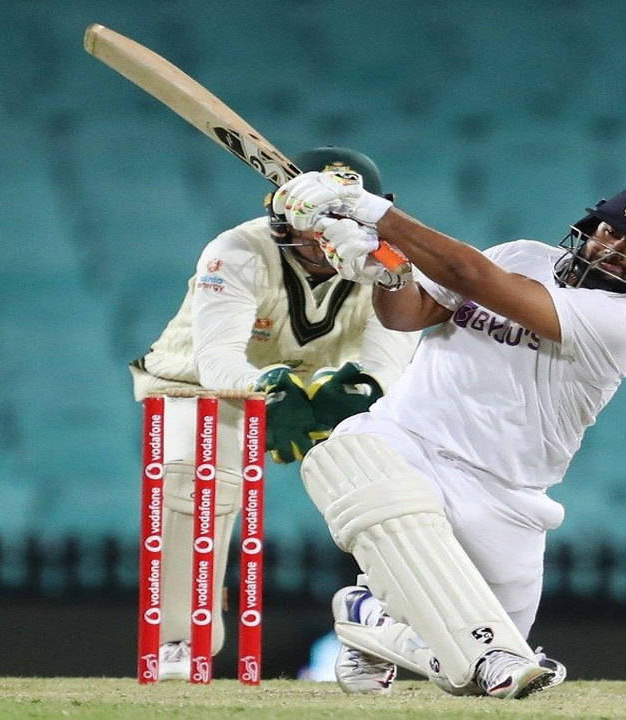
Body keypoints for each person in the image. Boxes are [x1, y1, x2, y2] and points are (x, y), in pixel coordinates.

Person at [272, 171, 626, 698]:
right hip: (407, 438)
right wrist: (389, 276)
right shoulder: (522, 255)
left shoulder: (621, 323)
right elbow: (409, 316)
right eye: (610, 231)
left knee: (489, 670)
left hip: (507, 493)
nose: (612, 248)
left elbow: (472, 276)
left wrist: (370, 211)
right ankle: (379, 621)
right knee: (355, 465)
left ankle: (368, 616)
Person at [129, 147, 420, 679]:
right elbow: (218, 363)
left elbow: (387, 365)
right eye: (316, 218)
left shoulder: (392, 261)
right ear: (283, 209)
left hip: (319, 382)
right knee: (197, 478)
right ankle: (181, 639)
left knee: (394, 481)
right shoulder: (236, 251)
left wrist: (361, 390)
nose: (323, 235)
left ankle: (379, 634)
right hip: (199, 384)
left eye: (342, 217)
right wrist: (267, 389)